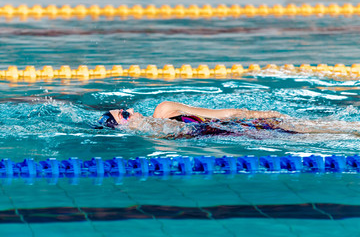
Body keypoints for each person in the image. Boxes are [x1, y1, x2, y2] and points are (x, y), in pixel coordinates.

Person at [97, 101, 360, 138]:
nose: (129, 110)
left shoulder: (163, 110)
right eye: (123, 114)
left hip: (251, 126)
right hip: (248, 136)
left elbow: (225, 115)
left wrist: (261, 116)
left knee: (343, 128)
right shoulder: (158, 139)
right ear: (123, 125)